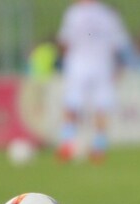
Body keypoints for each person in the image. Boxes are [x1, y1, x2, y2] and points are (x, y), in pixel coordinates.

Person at [56, 0, 134, 163]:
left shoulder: (74, 12)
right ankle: (99, 148)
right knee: (101, 107)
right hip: (102, 65)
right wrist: (118, 68)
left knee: (72, 105)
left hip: (79, 64)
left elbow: (64, 41)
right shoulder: (108, 14)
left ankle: (67, 145)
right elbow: (119, 45)